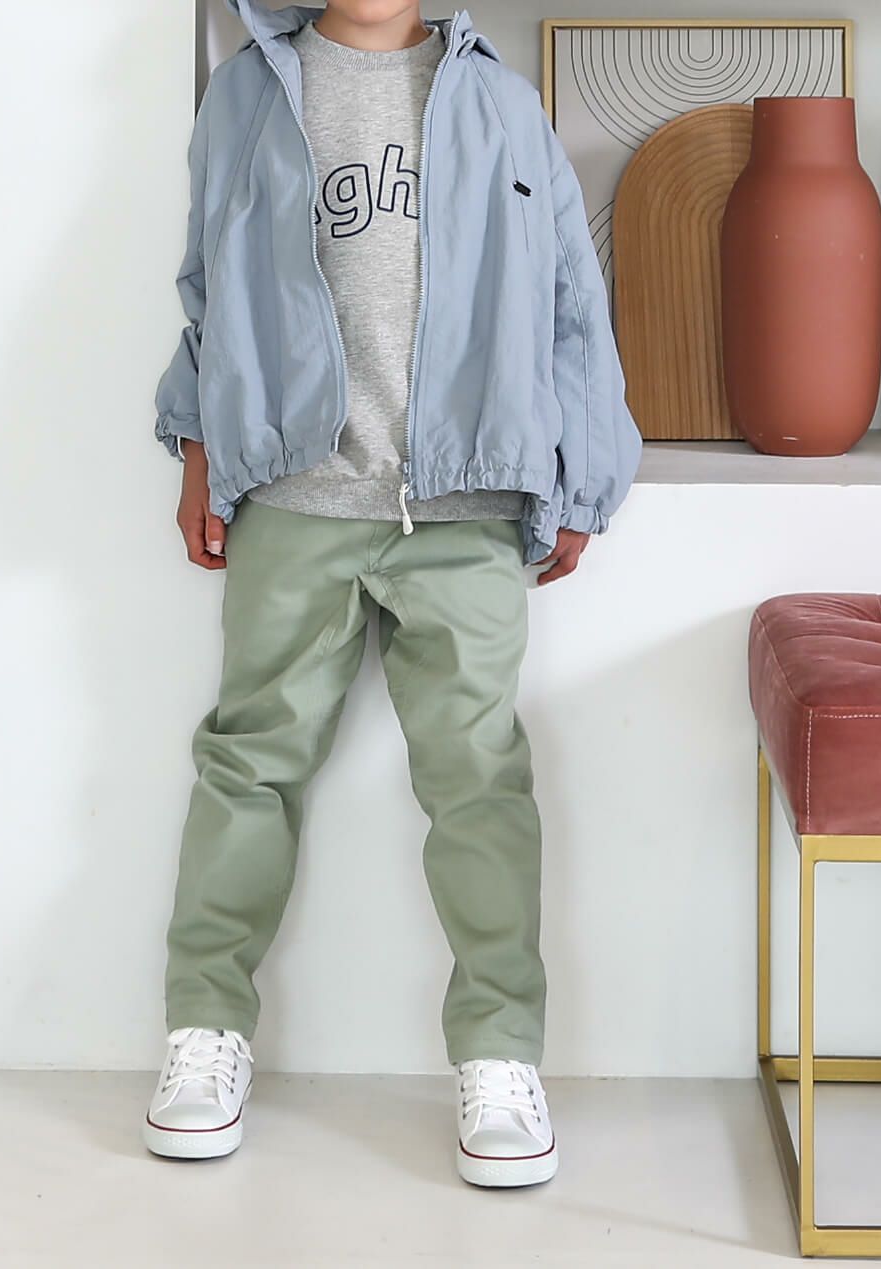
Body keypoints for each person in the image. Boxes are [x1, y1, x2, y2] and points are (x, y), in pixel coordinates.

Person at [143, 0, 641, 1188]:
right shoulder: (249, 91)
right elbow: (208, 280)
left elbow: (571, 301)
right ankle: (203, 1035)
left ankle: (499, 1054)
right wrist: (197, 445)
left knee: (478, 782)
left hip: (465, 505)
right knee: (247, 764)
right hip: (297, 493)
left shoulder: (503, 105)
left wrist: (582, 476)